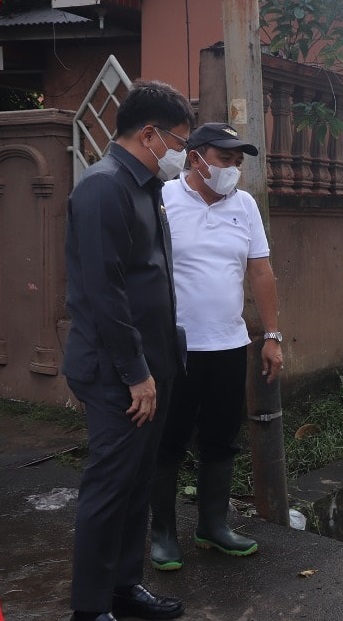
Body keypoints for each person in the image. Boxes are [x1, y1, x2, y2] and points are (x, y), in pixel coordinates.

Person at [62, 80, 194, 621]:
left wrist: (158, 368)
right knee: (110, 488)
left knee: (137, 485)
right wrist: (137, 374)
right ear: (150, 134)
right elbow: (102, 291)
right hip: (116, 371)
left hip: (148, 367)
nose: (183, 154)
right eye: (180, 142)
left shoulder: (146, 188)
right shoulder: (103, 188)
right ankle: (90, 610)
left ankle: (124, 588)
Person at [150, 122, 283, 571]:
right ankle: (163, 533)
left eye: (238, 161)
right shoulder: (163, 199)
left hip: (229, 344)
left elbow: (260, 271)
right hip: (177, 346)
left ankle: (213, 525)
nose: (233, 169)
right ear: (196, 158)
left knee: (221, 440)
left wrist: (272, 335)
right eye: (225, 159)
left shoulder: (244, 206)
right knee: (167, 442)